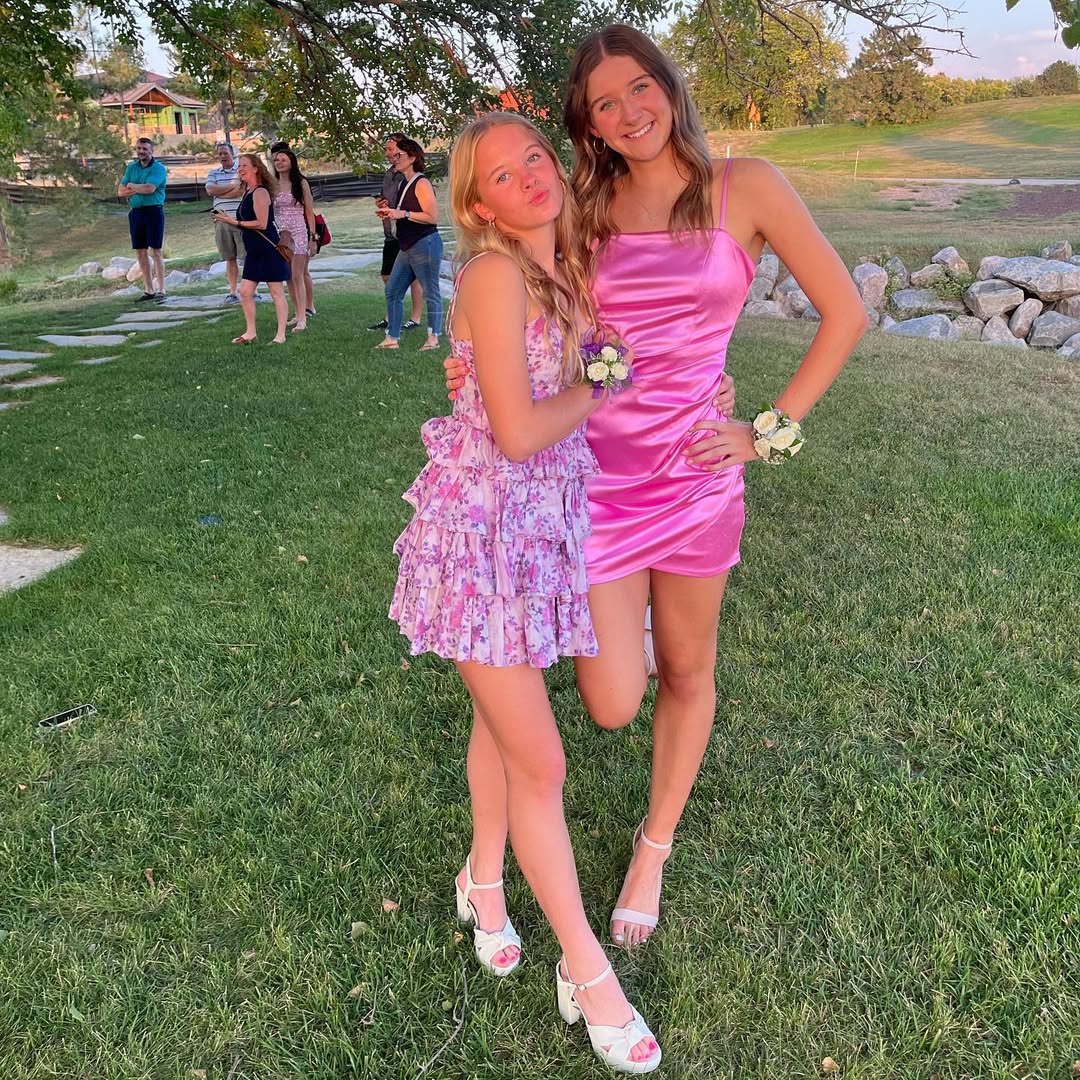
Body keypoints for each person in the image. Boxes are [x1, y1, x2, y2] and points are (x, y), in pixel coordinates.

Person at [447, 25, 867, 953]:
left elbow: (846, 312)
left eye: (640, 87)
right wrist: (467, 364)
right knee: (611, 702)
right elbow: (513, 291)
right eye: (605, 103)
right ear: (588, 125)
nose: (629, 111)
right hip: (594, 479)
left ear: (668, 86)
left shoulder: (748, 186)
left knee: (688, 671)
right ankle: (622, 633)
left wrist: (765, 431)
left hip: (700, 478)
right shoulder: (582, 203)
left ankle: (655, 846)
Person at [390, 112, 661, 1074]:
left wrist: (618, 375)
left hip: (540, 530)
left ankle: (484, 879)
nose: (530, 177)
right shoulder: (496, 274)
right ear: (478, 204)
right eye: (501, 175)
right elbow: (514, 433)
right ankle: (587, 973)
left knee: (499, 724)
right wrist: (599, 384)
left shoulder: (562, 271)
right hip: (480, 540)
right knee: (539, 762)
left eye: (535, 156)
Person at [211, 154, 291, 345]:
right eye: (239, 166)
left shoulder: (260, 192)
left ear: (256, 168)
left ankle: (280, 335)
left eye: (244, 165)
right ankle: (250, 333)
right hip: (254, 251)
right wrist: (228, 219)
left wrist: (234, 222)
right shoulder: (248, 191)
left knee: (276, 292)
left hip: (268, 249)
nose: (240, 169)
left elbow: (262, 223)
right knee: (245, 291)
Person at [374, 136, 443, 352]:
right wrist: (389, 210)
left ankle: (433, 338)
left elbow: (432, 217)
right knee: (393, 290)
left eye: (398, 154)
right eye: (393, 155)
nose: (393, 158)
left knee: (431, 292)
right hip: (407, 246)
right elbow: (405, 212)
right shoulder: (403, 182)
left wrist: (401, 213)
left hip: (425, 243)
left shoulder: (421, 182)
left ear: (412, 157)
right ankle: (392, 338)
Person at [368, 133, 424, 333]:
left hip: (408, 233)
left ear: (403, 151)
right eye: (386, 149)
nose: (387, 153)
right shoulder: (389, 173)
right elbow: (387, 197)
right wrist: (381, 202)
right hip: (390, 233)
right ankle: (390, 315)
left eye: (390, 149)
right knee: (387, 275)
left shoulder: (411, 174)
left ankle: (415, 318)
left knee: (414, 277)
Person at [270, 142, 318, 332]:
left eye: (283, 160)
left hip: (298, 231)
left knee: (297, 274)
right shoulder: (272, 184)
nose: (279, 163)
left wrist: (313, 238)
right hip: (281, 234)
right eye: (276, 160)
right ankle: (297, 313)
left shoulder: (300, 182)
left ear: (291, 162)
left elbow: (309, 211)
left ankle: (303, 318)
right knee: (288, 276)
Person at [117, 137, 168, 303]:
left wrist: (132, 186)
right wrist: (136, 188)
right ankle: (148, 290)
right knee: (140, 251)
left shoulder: (158, 168)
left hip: (153, 211)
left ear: (151, 151)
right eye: (139, 148)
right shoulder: (131, 167)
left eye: (145, 149)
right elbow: (121, 191)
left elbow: (150, 188)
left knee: (156, 250)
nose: (141, 152)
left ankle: (161, 289)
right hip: (136, 212)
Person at [204, 142, 244, 305]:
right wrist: (231, 187)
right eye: (219, 153)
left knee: (247, 257)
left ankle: (251, 290)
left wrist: (221, 192)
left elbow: (241, 190)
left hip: (241, 219)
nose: (222, 156)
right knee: (229, 257)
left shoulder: (241, 170)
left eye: (225, 153)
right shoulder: (213, 173)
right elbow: (210, 191)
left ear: (232, 153)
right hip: (221, 220)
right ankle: (233, 292)